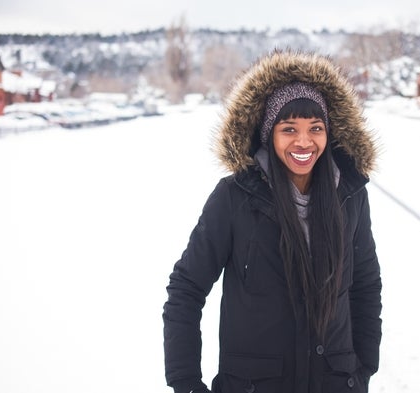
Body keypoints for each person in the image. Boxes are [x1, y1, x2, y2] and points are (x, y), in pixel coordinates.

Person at [163, 50, 382, 393]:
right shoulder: (235, 197)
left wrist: (364, 366)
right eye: (289, 128)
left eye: (315, 128)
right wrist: (185, 382)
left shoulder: (349, 195)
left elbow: (366, 284)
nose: (304, 141)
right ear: (269, 134)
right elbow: (186, 289)